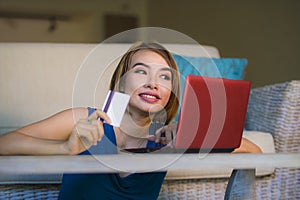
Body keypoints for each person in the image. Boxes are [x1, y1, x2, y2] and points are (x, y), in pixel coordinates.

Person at [0, 41, 261, 199]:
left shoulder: (168, 138)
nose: (152, 83)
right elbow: (5, 143)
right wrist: (64, 148)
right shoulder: (86, 119)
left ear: (170, 93)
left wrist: (189, 133)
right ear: (121, 82)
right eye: (141, 71)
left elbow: (255, 151)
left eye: (164, 77)